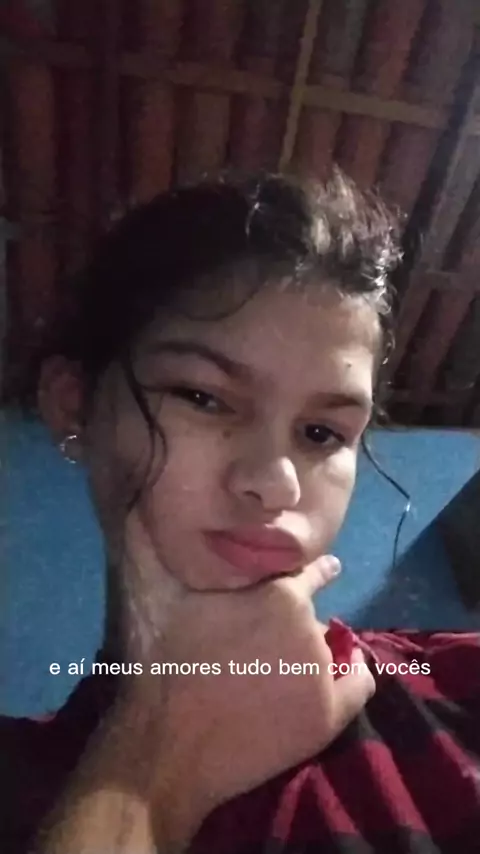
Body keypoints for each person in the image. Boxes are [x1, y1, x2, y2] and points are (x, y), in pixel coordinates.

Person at [2, 170, 480, 854]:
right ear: (75, 406)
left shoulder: (457, 681)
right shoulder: (20, 791)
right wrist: (153, 753)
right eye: (203, 398)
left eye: (322, 433)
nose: (276, 484)